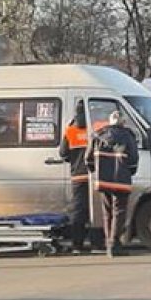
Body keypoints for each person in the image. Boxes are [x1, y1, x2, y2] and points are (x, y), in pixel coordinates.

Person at [87, 109, 139, 257]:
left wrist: (95, 171)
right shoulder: (128, 136)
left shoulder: (98, 135)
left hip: (103, 180)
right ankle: (115, 244)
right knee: (119, 212)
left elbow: (88, 158)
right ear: (122, 122)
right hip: (121, 180)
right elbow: (133, 160)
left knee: (107, 212)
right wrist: (129, 172)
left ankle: (109, 242)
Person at [59, 100, 91, 254]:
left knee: (78, 211)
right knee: (95, 210)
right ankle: (97, 241)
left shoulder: (70, 131)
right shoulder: (93, 129)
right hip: (94, 176)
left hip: (77, 176)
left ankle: (77, 244)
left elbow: (63, 154)